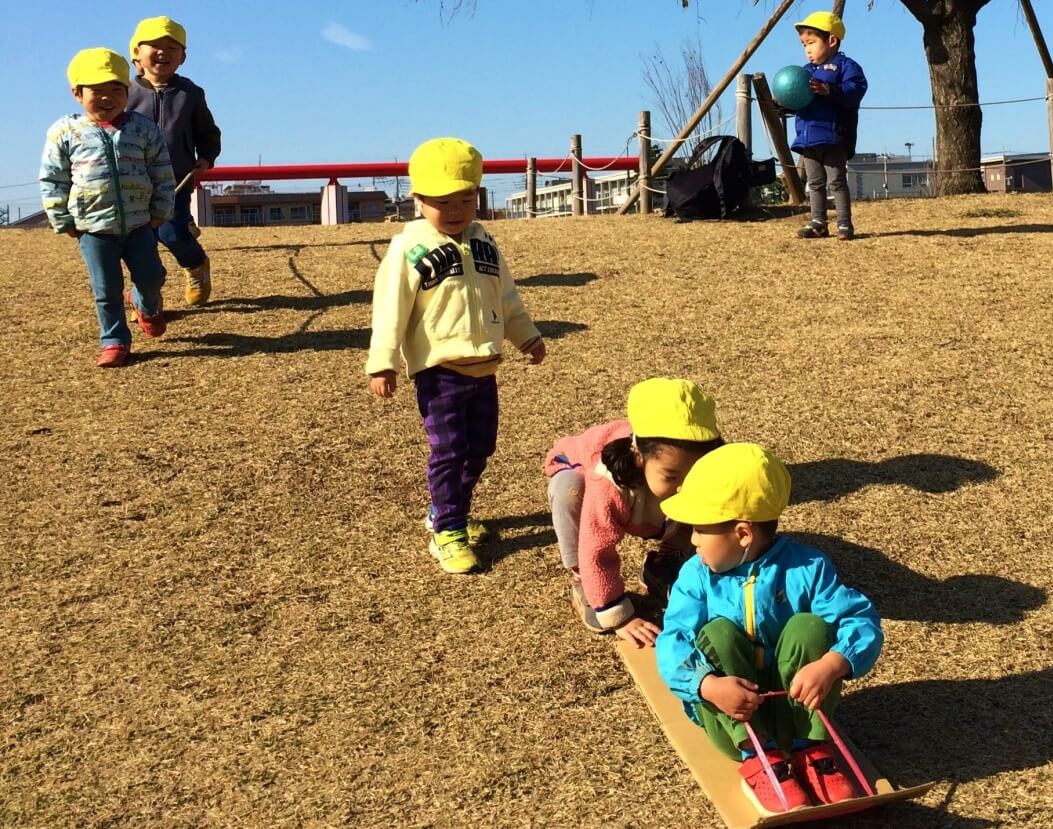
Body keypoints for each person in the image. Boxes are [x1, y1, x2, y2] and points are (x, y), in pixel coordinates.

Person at [656, 443, 883, 813]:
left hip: (796, 709)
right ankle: (757, 756)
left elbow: (860, 620)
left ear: (743, 534)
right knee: (718, 635)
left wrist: (833, 664)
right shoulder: (694, 577)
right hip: (732, 716)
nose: (692, 539)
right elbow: (673, 641)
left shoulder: (807, 567)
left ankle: (811, 747)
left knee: (809, 627)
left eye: (699, 529)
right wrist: (708, 686)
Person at [367, 138, 546, 574]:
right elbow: (389, 307)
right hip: (441, 372)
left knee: (480, 448)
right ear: (419, 199)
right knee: (449, 451)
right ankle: (447, 528)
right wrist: (383, 361)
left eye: (466, 199)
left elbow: (506, 297)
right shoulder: (409, 249)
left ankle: (449, 511)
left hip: (484, 368)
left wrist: (526, 336)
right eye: (443, 201)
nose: (456, 210)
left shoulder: (484, 242)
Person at [544, 378, 723, 647]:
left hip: (646, 488)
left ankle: (665, 562)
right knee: (569, 489)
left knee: (698, 502)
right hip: (579, 474)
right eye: (671, 475)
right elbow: (597, 548)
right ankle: (584, 581)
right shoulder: (608, 481)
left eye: (693, 473)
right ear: (639, 455)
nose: (683, 485)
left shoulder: (699, 461)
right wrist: (618, 614)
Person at [40, 48, 175, 368]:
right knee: (107, 288)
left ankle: (148, 306)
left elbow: (162, 170)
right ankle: (114, 340)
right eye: (97, 91)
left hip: (141, 223)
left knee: (152, 277)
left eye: (117, 90)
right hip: (92, 228)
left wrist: (161, 211)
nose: (107, 98)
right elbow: (52, 178)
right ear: (77, 93)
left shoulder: (143, 128)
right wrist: (62, 218)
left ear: (128, 92)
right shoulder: (65, 132)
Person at [126, 16, 221, 305]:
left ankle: (196, 266)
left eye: (172, 47)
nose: (162, 52)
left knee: (173, 233)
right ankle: (146, 299)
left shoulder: (190, 93)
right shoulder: (125, 93)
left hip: (175, 180)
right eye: (153, 45)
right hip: (132, 183)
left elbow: (208, 131)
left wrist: (206, 155)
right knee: (141, 244)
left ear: (183, 56)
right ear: (136, 54)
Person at [789, 11, 867, 242]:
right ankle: (818, 223)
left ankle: (844, 223)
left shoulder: (846, 66)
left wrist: (830, 90)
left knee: (836, 181)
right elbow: (799, 99)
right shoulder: (805, 72)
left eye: (812, 43)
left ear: (831, 41)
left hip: (833, 135)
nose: (808, 50)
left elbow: (855, 91)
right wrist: (784, 103)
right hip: (807, 137)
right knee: (814, 183)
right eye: (804, 45)